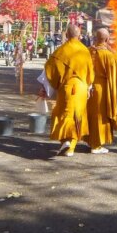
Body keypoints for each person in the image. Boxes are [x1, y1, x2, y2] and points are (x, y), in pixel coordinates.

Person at [44, 24, 94, 156]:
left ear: (66, 35)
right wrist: (89, 87)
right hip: (81, 87)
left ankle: (65, 143)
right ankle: (70, 147)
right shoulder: (84, 51)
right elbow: (90, 74)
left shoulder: (61, 51)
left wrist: (55, 84)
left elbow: (49, 68)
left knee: (63, 113)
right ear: (79, 35)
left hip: (65, 87)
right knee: (76, 116)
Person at [84, 28, 117, 154]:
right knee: (100, 117)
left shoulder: (88, 51)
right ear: (107, 39)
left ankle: (90, 141)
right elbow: (115, 77)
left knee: (91, 115)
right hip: (102, 89)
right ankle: (96, 146)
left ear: (95, 38)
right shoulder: (108, 56)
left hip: (88, 88)